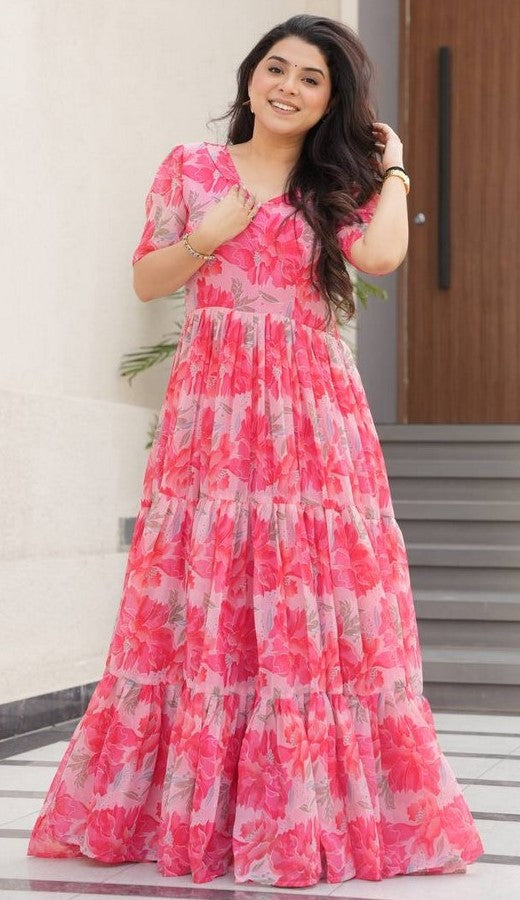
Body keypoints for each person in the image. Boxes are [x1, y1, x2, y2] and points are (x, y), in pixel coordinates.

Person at [27, 13, 484, 887]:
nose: (287, 87)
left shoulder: (335, 181)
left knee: (311, 586)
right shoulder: (192, 167)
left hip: (311, 409)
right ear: (250, 75)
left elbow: (382, 256)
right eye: (277, 68)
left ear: (330, 101)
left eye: (311, 79)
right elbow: (148, 277)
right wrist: (209, 235)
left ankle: (307, 814)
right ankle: (190, 811)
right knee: (205, 582)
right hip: (213, 406)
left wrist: (392, 167)